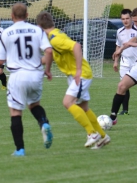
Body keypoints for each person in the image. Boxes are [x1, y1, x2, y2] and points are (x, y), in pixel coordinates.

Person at [0, 3, 53, 156]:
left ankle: (20, 149)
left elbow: (0, 60)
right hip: (35, 74)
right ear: (27, 15)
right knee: (34, 104)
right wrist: (47, 70)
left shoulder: (7, 33)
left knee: (16, 112)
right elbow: (49, 51)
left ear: (12, 16)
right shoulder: (37, 30)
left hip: (17, 76)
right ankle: (43, 122)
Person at [37, 11, 110, 150]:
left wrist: (78, 70)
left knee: (67, 102)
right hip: (77, 75)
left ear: (40, 27)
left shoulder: (55, 38)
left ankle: (91, 133)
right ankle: (103, 136)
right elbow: (51, 54)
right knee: (84, 108)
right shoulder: (54, 36)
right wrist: (46, 68)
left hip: (80, 75)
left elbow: (76, 46)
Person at [113, 9, 137, 115]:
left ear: (131, 18)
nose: (125, 21)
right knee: (124, 85)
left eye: (127, 18)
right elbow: (118, 46)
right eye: (123, 19)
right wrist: (116, 61)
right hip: (124, 62)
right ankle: (125, 110)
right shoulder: (119, 31)